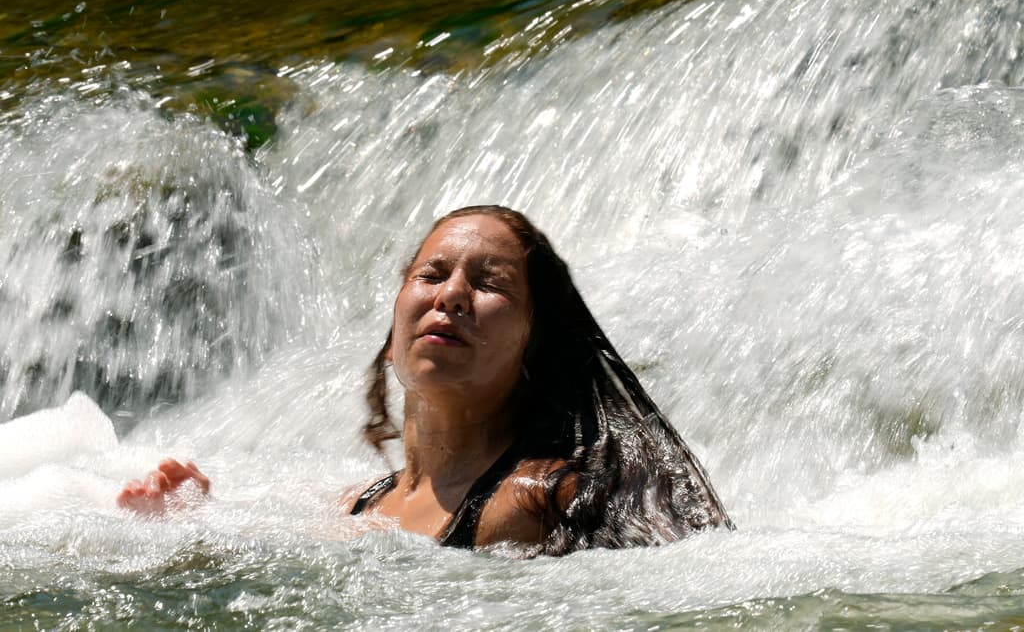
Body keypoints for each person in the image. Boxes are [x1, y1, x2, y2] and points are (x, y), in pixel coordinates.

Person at [119, 205, 732, 555]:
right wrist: (189, 521)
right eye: (432, 275)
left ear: (535, 347)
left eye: (489, 284)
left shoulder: (531, 501)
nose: (453, 296)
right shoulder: (363, 501)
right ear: (392, 340)